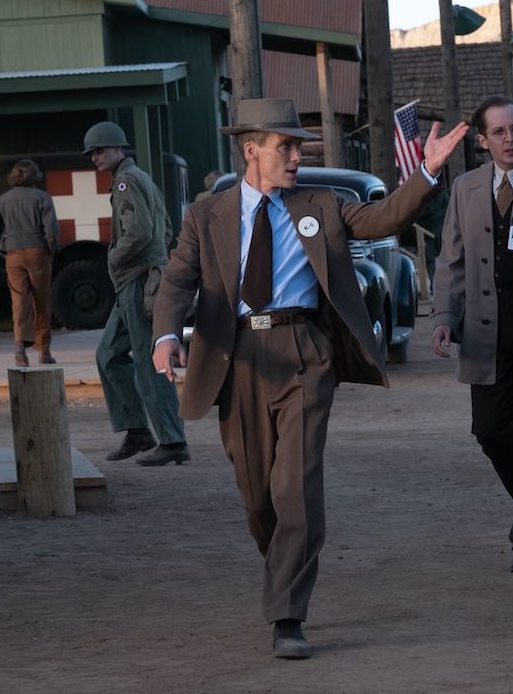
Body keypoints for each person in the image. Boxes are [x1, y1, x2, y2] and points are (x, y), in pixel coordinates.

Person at [151, 98, 465, 658]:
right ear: (252, 150)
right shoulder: (207, 215)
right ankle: (285, 566)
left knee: (295, 487)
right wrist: (167, 334)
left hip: (304, 353)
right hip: (236, 357)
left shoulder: (320, 203)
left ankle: (287, 615)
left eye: (300, 146)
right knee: (258, 498)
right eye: (285, 147)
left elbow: (384, 218)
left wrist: (427, 172)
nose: (297, 156)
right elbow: (177, 281)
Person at [431, 95, 513, 573]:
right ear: (483, 141)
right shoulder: (466, 188)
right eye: (501, 133)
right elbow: (451, 261)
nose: (511, 139)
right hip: (486, 332)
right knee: (489, 430)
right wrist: (443, 315)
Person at [82, 122, 189, 467]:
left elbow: (140, 231)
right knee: (108, 354)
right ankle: (137, 430)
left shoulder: (127, 181)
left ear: (117, 149)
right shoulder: (138, 178)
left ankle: (173, 440)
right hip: (138, 278)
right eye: (92, 153)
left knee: (148, 361)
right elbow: (166, 226)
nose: (94, 157)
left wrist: (114, 258)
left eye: (99, 150)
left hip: (139, 281)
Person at [0, 159, 59, 366]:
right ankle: (44, 351)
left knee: (19, 301)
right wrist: (51, 250)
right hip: (39, 252)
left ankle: (19, 348)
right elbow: (51, 231)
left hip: (13, 253)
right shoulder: (43, 198)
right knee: (41, 299)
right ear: (36, 176)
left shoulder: (3, 200)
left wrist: (5, 248)